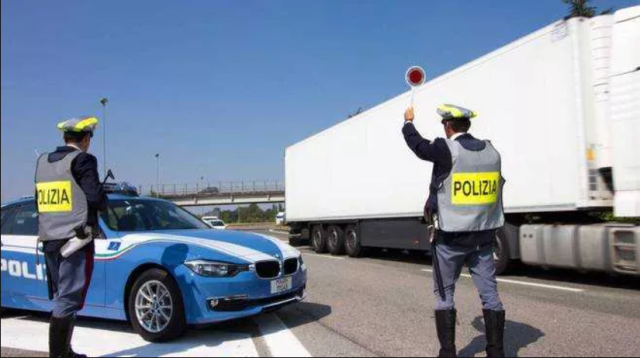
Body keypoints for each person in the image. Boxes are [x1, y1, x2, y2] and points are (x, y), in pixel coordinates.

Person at [402, 104, 506, 358]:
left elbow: (418, 146)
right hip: (483, 238)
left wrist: (408, 123)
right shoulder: (492, 152)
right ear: (467, 126)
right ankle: (496, 352)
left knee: (445, 295)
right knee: (490, 295)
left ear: (448, 126)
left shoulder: (445, 148)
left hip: (449, 239)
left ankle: (447, 353)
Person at [35, 117, 108, 358]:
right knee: (68, 299)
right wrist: (103, 197)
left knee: (61, 297)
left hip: (49, 239)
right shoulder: (83, 160)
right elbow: (95, 198)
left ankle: (66, 352)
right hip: (75, 240)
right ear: (85, 139)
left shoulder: (43, 162)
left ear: (65, 138)